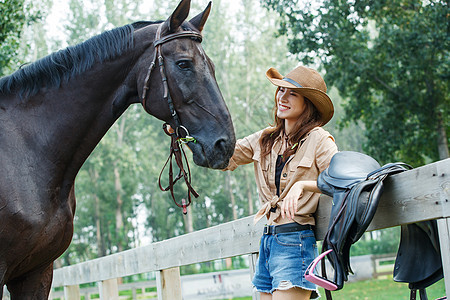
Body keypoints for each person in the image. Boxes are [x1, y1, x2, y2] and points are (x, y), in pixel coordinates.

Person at [224, 65, 338, 300]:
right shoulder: (266, 138)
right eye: (280, 91)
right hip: (267, 241)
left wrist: (303, 186)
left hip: (295, 241)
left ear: (309, 103)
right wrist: (185, 133)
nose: (282, 98)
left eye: (292, 93)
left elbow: (340, 179)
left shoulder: (318, 138)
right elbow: (224, 155)